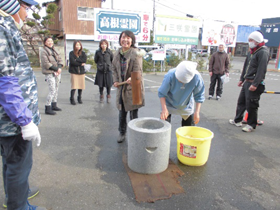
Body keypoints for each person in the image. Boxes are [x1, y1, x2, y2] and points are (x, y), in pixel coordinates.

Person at [0, 0, 47, 209]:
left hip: (11, 118)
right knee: (19, 166)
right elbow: (5, 81)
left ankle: (17, 196)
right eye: (26, 8)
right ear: (12, 4)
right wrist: (25, 121)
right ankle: (19, 206)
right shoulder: (2, 28)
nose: (27, 14)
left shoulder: (7, 26)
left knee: (12, 164)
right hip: (12, 121)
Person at [229, 30, 269, 132]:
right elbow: (245, 67)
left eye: (251, 40)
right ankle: (237, 120)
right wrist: (241, 79)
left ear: (256, 40)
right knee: (241, 101)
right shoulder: (252, 52)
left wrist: (255, 84)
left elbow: (261, 70)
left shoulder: (263, 52)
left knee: (251, 105)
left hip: (254, 83)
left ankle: (251, 124)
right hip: (247, 81)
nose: (249, 42)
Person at [112, 30, 145, 143]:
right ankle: (122, 132)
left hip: (133, 87)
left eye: (128, 38)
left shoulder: (135, 53)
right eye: (123, 37)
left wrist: (133, 77)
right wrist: (116, 80)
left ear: (132, 41)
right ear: (120, 39)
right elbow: (114, 69)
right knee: (122, 111)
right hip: (122, 87)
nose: (125, 40)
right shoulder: (117, 53)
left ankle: (135, 133)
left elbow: (138, 70)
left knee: (133, 112)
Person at [158, 61, 205, 126]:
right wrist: (164, 109)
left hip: (186, 104)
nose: (180, 82)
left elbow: (199, 96)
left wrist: (197, 112)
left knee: (189, 129)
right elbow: (162, 93)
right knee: (164, 126)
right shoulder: (170, 75)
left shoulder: (197, 78)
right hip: (169, 103)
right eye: (179, 79)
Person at [40, 36, 64, 115]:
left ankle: (54, 104)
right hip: (50, 72)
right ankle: (48, 107)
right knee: (52, 90)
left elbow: (60, 60)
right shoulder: (43, 51)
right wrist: (56, 69)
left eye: (51, 41)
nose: (50, 42)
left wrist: (59, 68)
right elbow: (46, 63)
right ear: (45, 42)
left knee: (56, 88)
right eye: (48, 41)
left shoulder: (54, 50)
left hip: (57, 72)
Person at [69, 40, 87, 105]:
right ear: (74, 46)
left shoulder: (83, 53)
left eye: (79, 45)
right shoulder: (71, 53)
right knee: (74, 86)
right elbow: (72, 62)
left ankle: (79, 97)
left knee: (81, 86)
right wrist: (80, 63)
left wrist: (76, 59)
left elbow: (84, 60)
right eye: (76, 45)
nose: (78, 46)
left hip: (81, 72)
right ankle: (72, 98)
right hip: (74, 72)